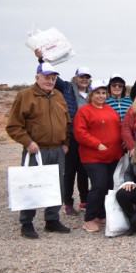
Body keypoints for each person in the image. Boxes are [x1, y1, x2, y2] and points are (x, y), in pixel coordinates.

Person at [6, 62, 72, 239]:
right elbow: (13, 126)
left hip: (57, 150)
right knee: (31, 185)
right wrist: (28, 142)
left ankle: (52, 220)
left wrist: (65, 142)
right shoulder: (25, 96)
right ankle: (26, 223)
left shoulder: (58, 95)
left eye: (53, 78)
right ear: (37, 77)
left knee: (55, 187)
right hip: (35, 150)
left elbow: (66, 122)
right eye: (46, 77)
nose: (50, 81)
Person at [36, 48, 91, 215]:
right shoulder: (66, 88)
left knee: (84, 170)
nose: (84, 80)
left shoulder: (92, 93)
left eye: (87, 77)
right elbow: (52, 78)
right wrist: (41, 60)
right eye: (81, 77)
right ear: (75, 78)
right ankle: (67, 202)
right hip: (71, 134)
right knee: (70, 170)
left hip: (86, 137)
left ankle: (84, 200)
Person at [73, 80, 124, 232]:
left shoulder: (109, 109)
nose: (101, 96)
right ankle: (89, 218)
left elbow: (119, 126)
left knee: (108, 186)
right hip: (93, 157)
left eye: (103, 93)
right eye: (97, 93)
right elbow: (80, 133)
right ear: (91, 94)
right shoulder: (84, 111)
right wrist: (96, 143)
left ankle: (100, 214)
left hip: (112, 155)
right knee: (99, 185)